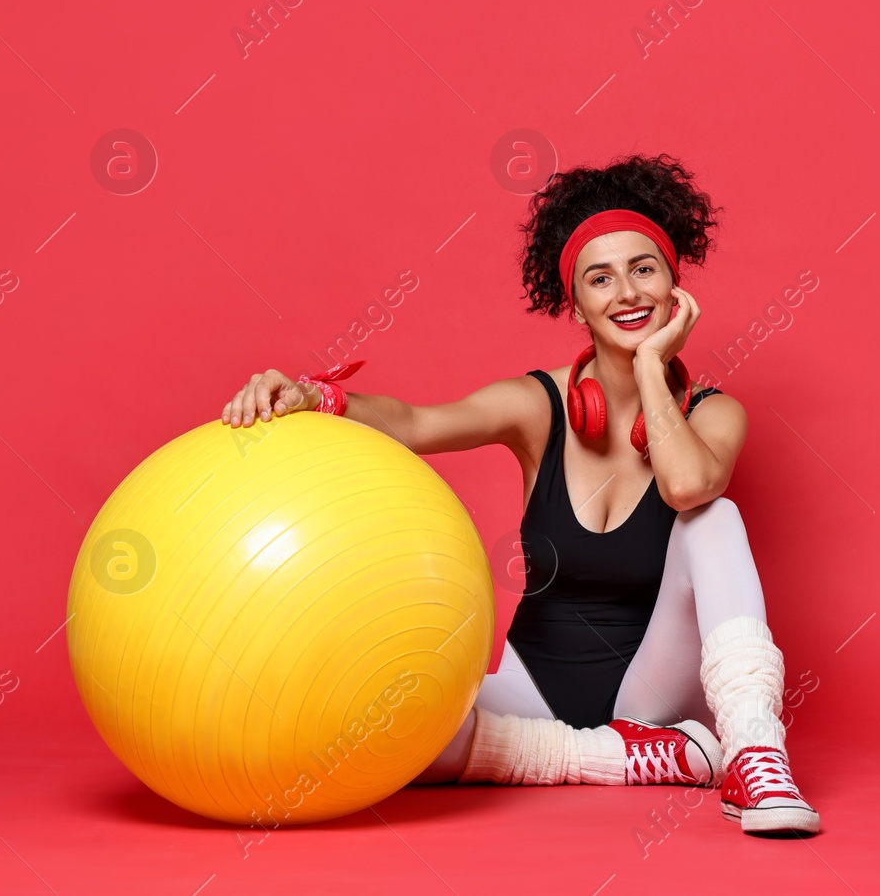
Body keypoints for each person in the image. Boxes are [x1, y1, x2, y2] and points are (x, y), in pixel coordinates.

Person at [218, 153, 819, 836]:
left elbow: (685, 485)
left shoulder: (714, 414)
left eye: (643, 268)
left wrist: (652, 364)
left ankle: (752, 751)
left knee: (715, 515)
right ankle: (638, 758)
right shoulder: (537, 406)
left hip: (652, 692)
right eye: (601, 277)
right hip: (534, 687)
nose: (626, 291)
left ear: (675, 284)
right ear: (577, 302)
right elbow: (418, 422)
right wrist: (314, 395)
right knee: (369, 739)